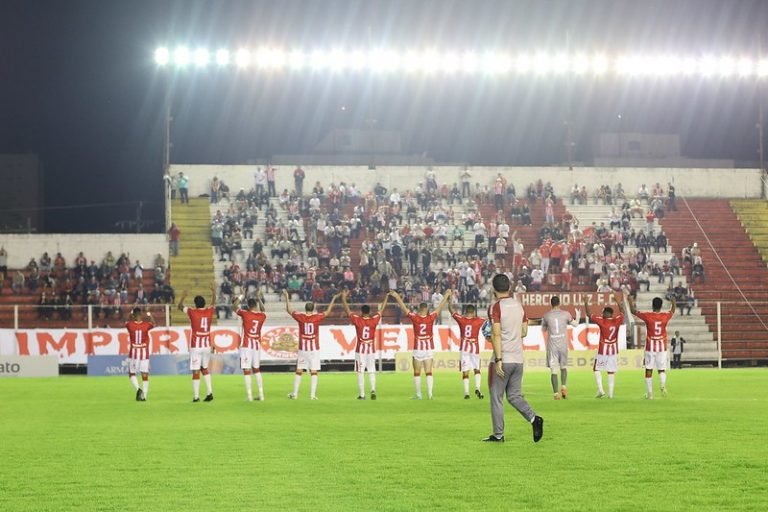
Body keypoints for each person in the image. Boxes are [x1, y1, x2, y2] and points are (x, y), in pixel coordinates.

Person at [484, 274, 543, 443]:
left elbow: (496, 334)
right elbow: (524, 332)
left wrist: (498, 359)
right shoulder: (518, 306)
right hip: (518, 359)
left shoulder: (495, 307)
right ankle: (534, 418)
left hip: (503, 358)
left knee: (496, 397)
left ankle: (498, 435)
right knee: (514, 396)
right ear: (509, 287)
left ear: (494, 288)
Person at [389, 289, 450, 400]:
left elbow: (404, 309)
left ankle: (418, 394)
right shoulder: (430, 317)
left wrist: (397, 297)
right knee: (429, 372)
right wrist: (446, 296)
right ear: (426, 309)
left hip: (418, 348)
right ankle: (430, 394)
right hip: (428, 348)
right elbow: (440, 307)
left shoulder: (415, 318)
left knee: (417, 372)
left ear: (419, 309)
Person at [284, 289, 339, 400]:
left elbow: (289, 310)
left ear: (305, 309)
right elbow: (328, 312)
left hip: (303, 349)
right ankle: (312, 395)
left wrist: (286, 296)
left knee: (299, 370)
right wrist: (333, 299)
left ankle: (295, 394)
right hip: (314, 349)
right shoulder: (317, 317)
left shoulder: (300, 317)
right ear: (313, 309)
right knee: (314, 371)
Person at [340, 289, 388, 400]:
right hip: (371, 349)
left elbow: (347, 310)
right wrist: (386, 297)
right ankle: (373, 389)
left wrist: (343, 298)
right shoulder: (374, 320)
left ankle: (362, 395)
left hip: (360, 350)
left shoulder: (357, 319)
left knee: (360, 372)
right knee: (371, 370)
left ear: (361, 312)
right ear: (369, 312)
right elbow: (381, 309)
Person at [629, 295, 675, 399]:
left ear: (652, 305)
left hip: (650, 347)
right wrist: (673, 302)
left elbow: (633, 311)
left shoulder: (647, 316)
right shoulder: (665, 316)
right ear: (661, 306)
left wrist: (630, 300)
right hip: (662, 347)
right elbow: (672, 310)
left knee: (649, 369)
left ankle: (649, 394)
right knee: (662, 369)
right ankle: (662, 385)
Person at [178, 282, 216, 402]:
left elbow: (179, 307)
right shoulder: (209, 311)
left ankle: (196, 397)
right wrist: (214, 292)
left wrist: (183, 296)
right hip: (207, 346)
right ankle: (210, 392)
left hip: (196, 346)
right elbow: (213, 304)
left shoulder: (192, 312)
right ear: (204, 303)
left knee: (195, 371)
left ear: (195, 304)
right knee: (204, 368)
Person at [586, 293, 625, 399]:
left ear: (607, 313)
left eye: (603, 312)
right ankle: (610, 394)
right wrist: (617, 301)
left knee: (596, 368)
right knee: (611, 372)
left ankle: (601, 390)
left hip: (603, 350)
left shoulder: (602, 321)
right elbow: (622, 312)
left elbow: (589, 314)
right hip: (613, 350)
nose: (602, 313)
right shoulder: (617, 320)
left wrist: (586, 302)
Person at [540, 296, 579, 400]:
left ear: (551, 304)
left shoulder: (547, 315)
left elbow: (543, 330)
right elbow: (576, 324)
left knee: (553, 370)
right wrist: (578, 315)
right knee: (563, 367)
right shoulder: (566, 314)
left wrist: (545, 324)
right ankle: (564, 387)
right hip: (563, 345)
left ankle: (556, 394)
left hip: (552, 345)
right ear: (559, 303)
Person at [448, 301, 486, 400]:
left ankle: (467, 393)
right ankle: (478, 388)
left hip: (464, 349)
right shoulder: (479, 320)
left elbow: (451, 310)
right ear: (474, 312)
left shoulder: (462, 319)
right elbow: (489, 320)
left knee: (465, 371)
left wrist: (449, 300)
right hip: (475, 348)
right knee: (477, 369)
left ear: (465, 312)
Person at [234, 293, 267, 401]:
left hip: (246, 345)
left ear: (248, 306)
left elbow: (234, 306)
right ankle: (261, 394)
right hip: (256, 346)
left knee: (246, 370)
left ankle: (249, 396)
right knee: (256, 369)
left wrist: (241, 296)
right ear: (256, 306)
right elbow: (263, 310)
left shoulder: (245, 314)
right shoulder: (261, 316)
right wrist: (259, 299)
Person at [125, 307, 154, 401]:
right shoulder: (146, 325)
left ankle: (138, 389)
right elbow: (153, 323)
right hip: (144, 353)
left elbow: (126, 321)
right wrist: (149, 314)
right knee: (145, 375)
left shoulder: (130, 325)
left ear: (133, 315)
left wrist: (131, 312)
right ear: (141, 314)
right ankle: (144, 396)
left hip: (134, 353)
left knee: (132, 373)